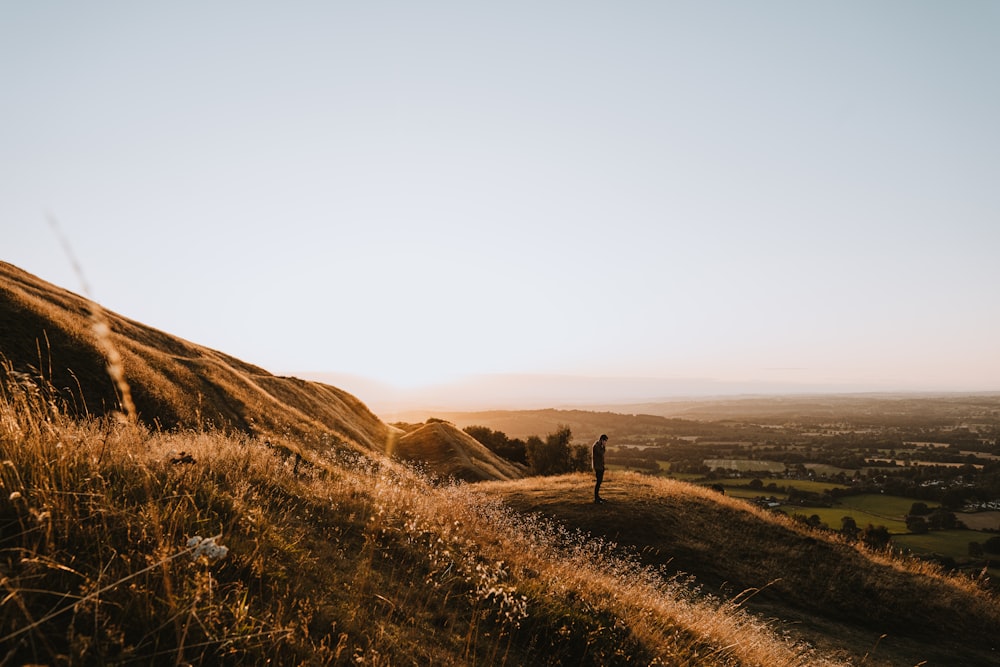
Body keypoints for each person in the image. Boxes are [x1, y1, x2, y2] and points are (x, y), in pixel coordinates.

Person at [592, 434, 608, 503]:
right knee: (598, 482)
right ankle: (596, 498)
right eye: (605, 441)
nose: (605, 443)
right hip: (598, 467)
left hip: (600, 466)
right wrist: (603, 447)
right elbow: (601, 453)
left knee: (599, 481)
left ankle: (597, 497)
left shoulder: (599, 446)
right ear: (602, 440)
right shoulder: (596, 446)